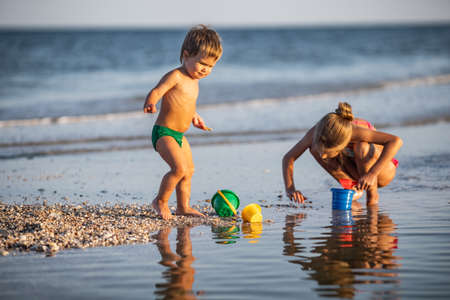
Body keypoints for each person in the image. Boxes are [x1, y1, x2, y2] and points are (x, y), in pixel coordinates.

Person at [143, 25, 222, 220]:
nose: (206, 69)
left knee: (189, 171)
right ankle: (160, 201)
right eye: (202, 63)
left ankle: (183, 206)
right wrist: (151, 102)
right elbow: (157, 91)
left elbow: (186, 103)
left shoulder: (194, 81)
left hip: (180, 135)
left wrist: (195, 116)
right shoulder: (175, 76)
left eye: (211, 66)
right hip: (164, 133)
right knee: (179, 169)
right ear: (186, 55)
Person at [282, 102, 403, 206]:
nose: (323, 157)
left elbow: (395, 141)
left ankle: (372, 197)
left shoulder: (355, 131)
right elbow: (288, 157)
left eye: (327, 153)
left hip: (382, 172)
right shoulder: (317, 130)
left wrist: (372, 174)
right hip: (358, 171)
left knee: (362, 147)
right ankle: (351, 187)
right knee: (314, 148)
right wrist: (290, 189)